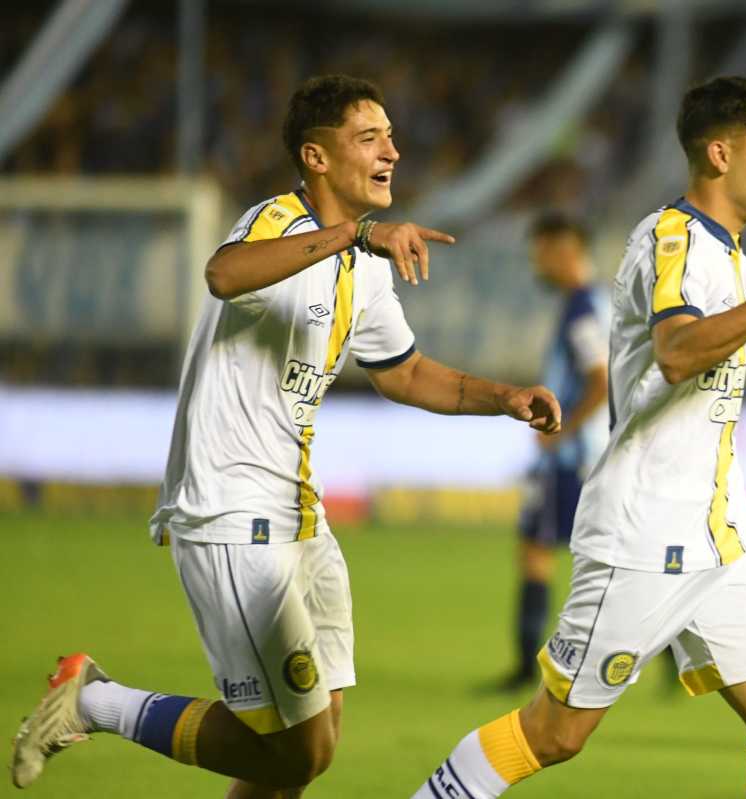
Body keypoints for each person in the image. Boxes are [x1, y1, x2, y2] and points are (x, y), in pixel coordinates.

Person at [10, 74, 561, 796]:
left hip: (300, 514)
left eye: (391, 136)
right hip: (233, 513)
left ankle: (96, 700)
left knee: (310, 746)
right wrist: (354, 234)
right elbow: (222, 272)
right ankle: (92, 700)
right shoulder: (278, 220)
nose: (392, 150)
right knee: (290, 752)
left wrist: (506, 396)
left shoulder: (364, 270)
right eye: (369, 138)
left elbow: (407, 372)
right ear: (317, 157)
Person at [408, 75, 746, 799]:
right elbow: (680, 351)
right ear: (719, 154)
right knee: (554, 733)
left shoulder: (727, 255)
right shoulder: (671, 237)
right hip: (647, 528)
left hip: (721, 527)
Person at [498, 211, 610, 689]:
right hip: (593, 453)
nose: (536, 265)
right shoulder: (597, 302)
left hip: (571, 458)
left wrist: (561, 432)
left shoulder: (581, 308)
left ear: (563, 250)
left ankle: (526, 665)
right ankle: (669, 653)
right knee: (613, 559)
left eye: (540, 254)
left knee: (537, 550)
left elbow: (600, 380)